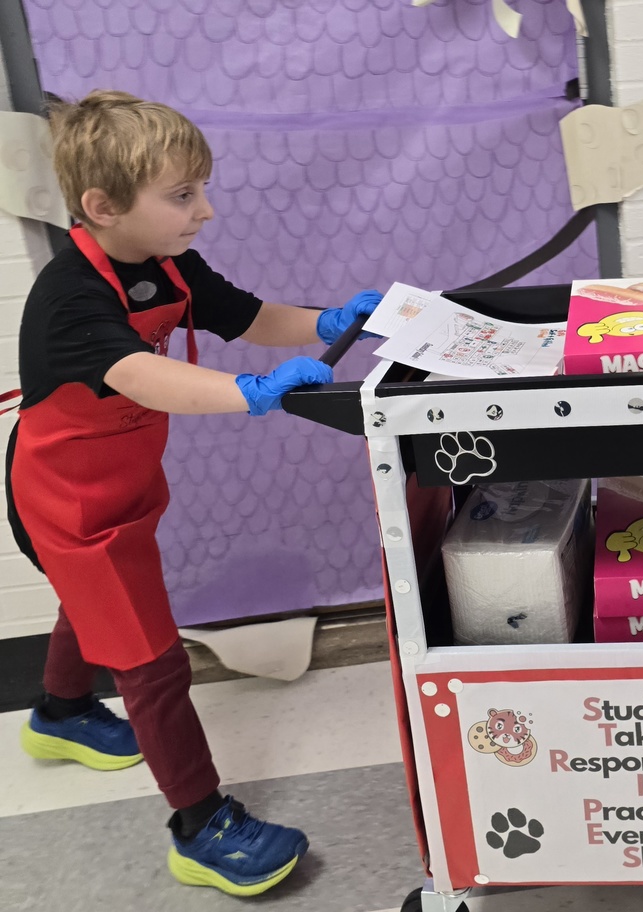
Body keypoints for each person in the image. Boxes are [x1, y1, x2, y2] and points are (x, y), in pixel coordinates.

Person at [4, 90, 382, 896]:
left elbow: (246, 314)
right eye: (182, 195)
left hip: (126, 481)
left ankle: (62, 713)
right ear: (102, 207)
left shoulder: (167, 263)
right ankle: (200, 825)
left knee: (93, 602)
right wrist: (251, 393)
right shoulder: (71, 297)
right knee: (152, 661)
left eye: (201, 189)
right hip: (69, 502)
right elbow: (143, 375)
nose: (205, 211)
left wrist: (325, 322)